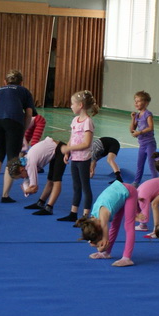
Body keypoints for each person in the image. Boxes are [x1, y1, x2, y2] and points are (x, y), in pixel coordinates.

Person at [0, 69, 35, 202]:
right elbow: (29, 114)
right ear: (21, 82)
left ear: (5, 82)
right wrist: (22, 130)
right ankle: (5, 195)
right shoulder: (24, 91)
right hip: (13, 120)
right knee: (12, 158)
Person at [55, 90, 98, 223]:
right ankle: (73, 213)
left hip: (84, 159)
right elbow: (72, 138)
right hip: (75, 158)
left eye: (72, 104)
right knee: (76, 186)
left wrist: (69, 148)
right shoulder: (75, 120)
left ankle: (85, 215)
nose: (71, 106)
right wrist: (67, 152)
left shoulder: (88, 122)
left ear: (80, 105)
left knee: (85, 187)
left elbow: (86, 143)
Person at [77, 181, 140, 267]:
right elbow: (94, 234)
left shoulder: (102, 217)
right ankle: (106, 253)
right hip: (118, 193)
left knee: (128, 225)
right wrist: (93, 242)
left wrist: (101, 248)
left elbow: (105, 238)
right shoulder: (93, 218)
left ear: (98, 227)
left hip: (129, 191)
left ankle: (127, 258)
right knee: (114, 225)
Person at [130, 90, 157, 185]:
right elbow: (132, 130)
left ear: (146, 103)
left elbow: (151, 127)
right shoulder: (137, 115)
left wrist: (140, 132)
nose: (136, 103)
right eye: (135, 101)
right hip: (142, 144)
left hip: (150, 143)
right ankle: (136, 181)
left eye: (138, 101)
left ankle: (155, 181)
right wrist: (133, 118)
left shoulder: (148, 114)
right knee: (140, 164)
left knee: (151, 164)